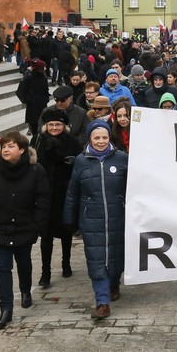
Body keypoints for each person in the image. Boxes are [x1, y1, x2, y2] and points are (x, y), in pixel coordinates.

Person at [0, 132, 50, 330]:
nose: (5, 150)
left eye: (10, 146)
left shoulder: (36, 170)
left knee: (24, 262)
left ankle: (25, 290)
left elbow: (43, 198)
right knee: (3, 268)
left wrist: (37, 224)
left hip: (25, 226)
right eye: (4, 146)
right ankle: (6, 309)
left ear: (22, 149)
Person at [64, 120, 129, 319]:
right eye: (96, 137)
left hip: (118, 216)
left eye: (104, 137)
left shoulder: (121, 158)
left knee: (116, 254)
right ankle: (102, 301)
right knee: (96, 258)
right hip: (91, 218)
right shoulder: (81, 161)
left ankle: (114, 283)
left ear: (110, 138)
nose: (101, 141)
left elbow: (134, 187)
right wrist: (69, 219)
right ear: (90, 139)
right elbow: (73, 192)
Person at [35, 110, 82, 289]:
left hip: (64, 193)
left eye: (58, 124)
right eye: (51, 125)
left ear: (64, 126)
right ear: (45, 126)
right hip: (45, 194)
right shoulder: (38, 141)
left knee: (66, 232)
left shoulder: (72, 142)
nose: (54, 128)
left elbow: (78, 166)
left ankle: (66, 263)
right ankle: (45, 272)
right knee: (46, 235)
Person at [17, 59, 50, 138]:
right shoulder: (29, 77)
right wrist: (29, 100)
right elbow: (23, 90)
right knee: (34, 124)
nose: (45, 68)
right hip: (32, 104)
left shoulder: (43, 77)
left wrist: (46, 98)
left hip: (42, 103)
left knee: (42, 122)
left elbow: (46, 89)